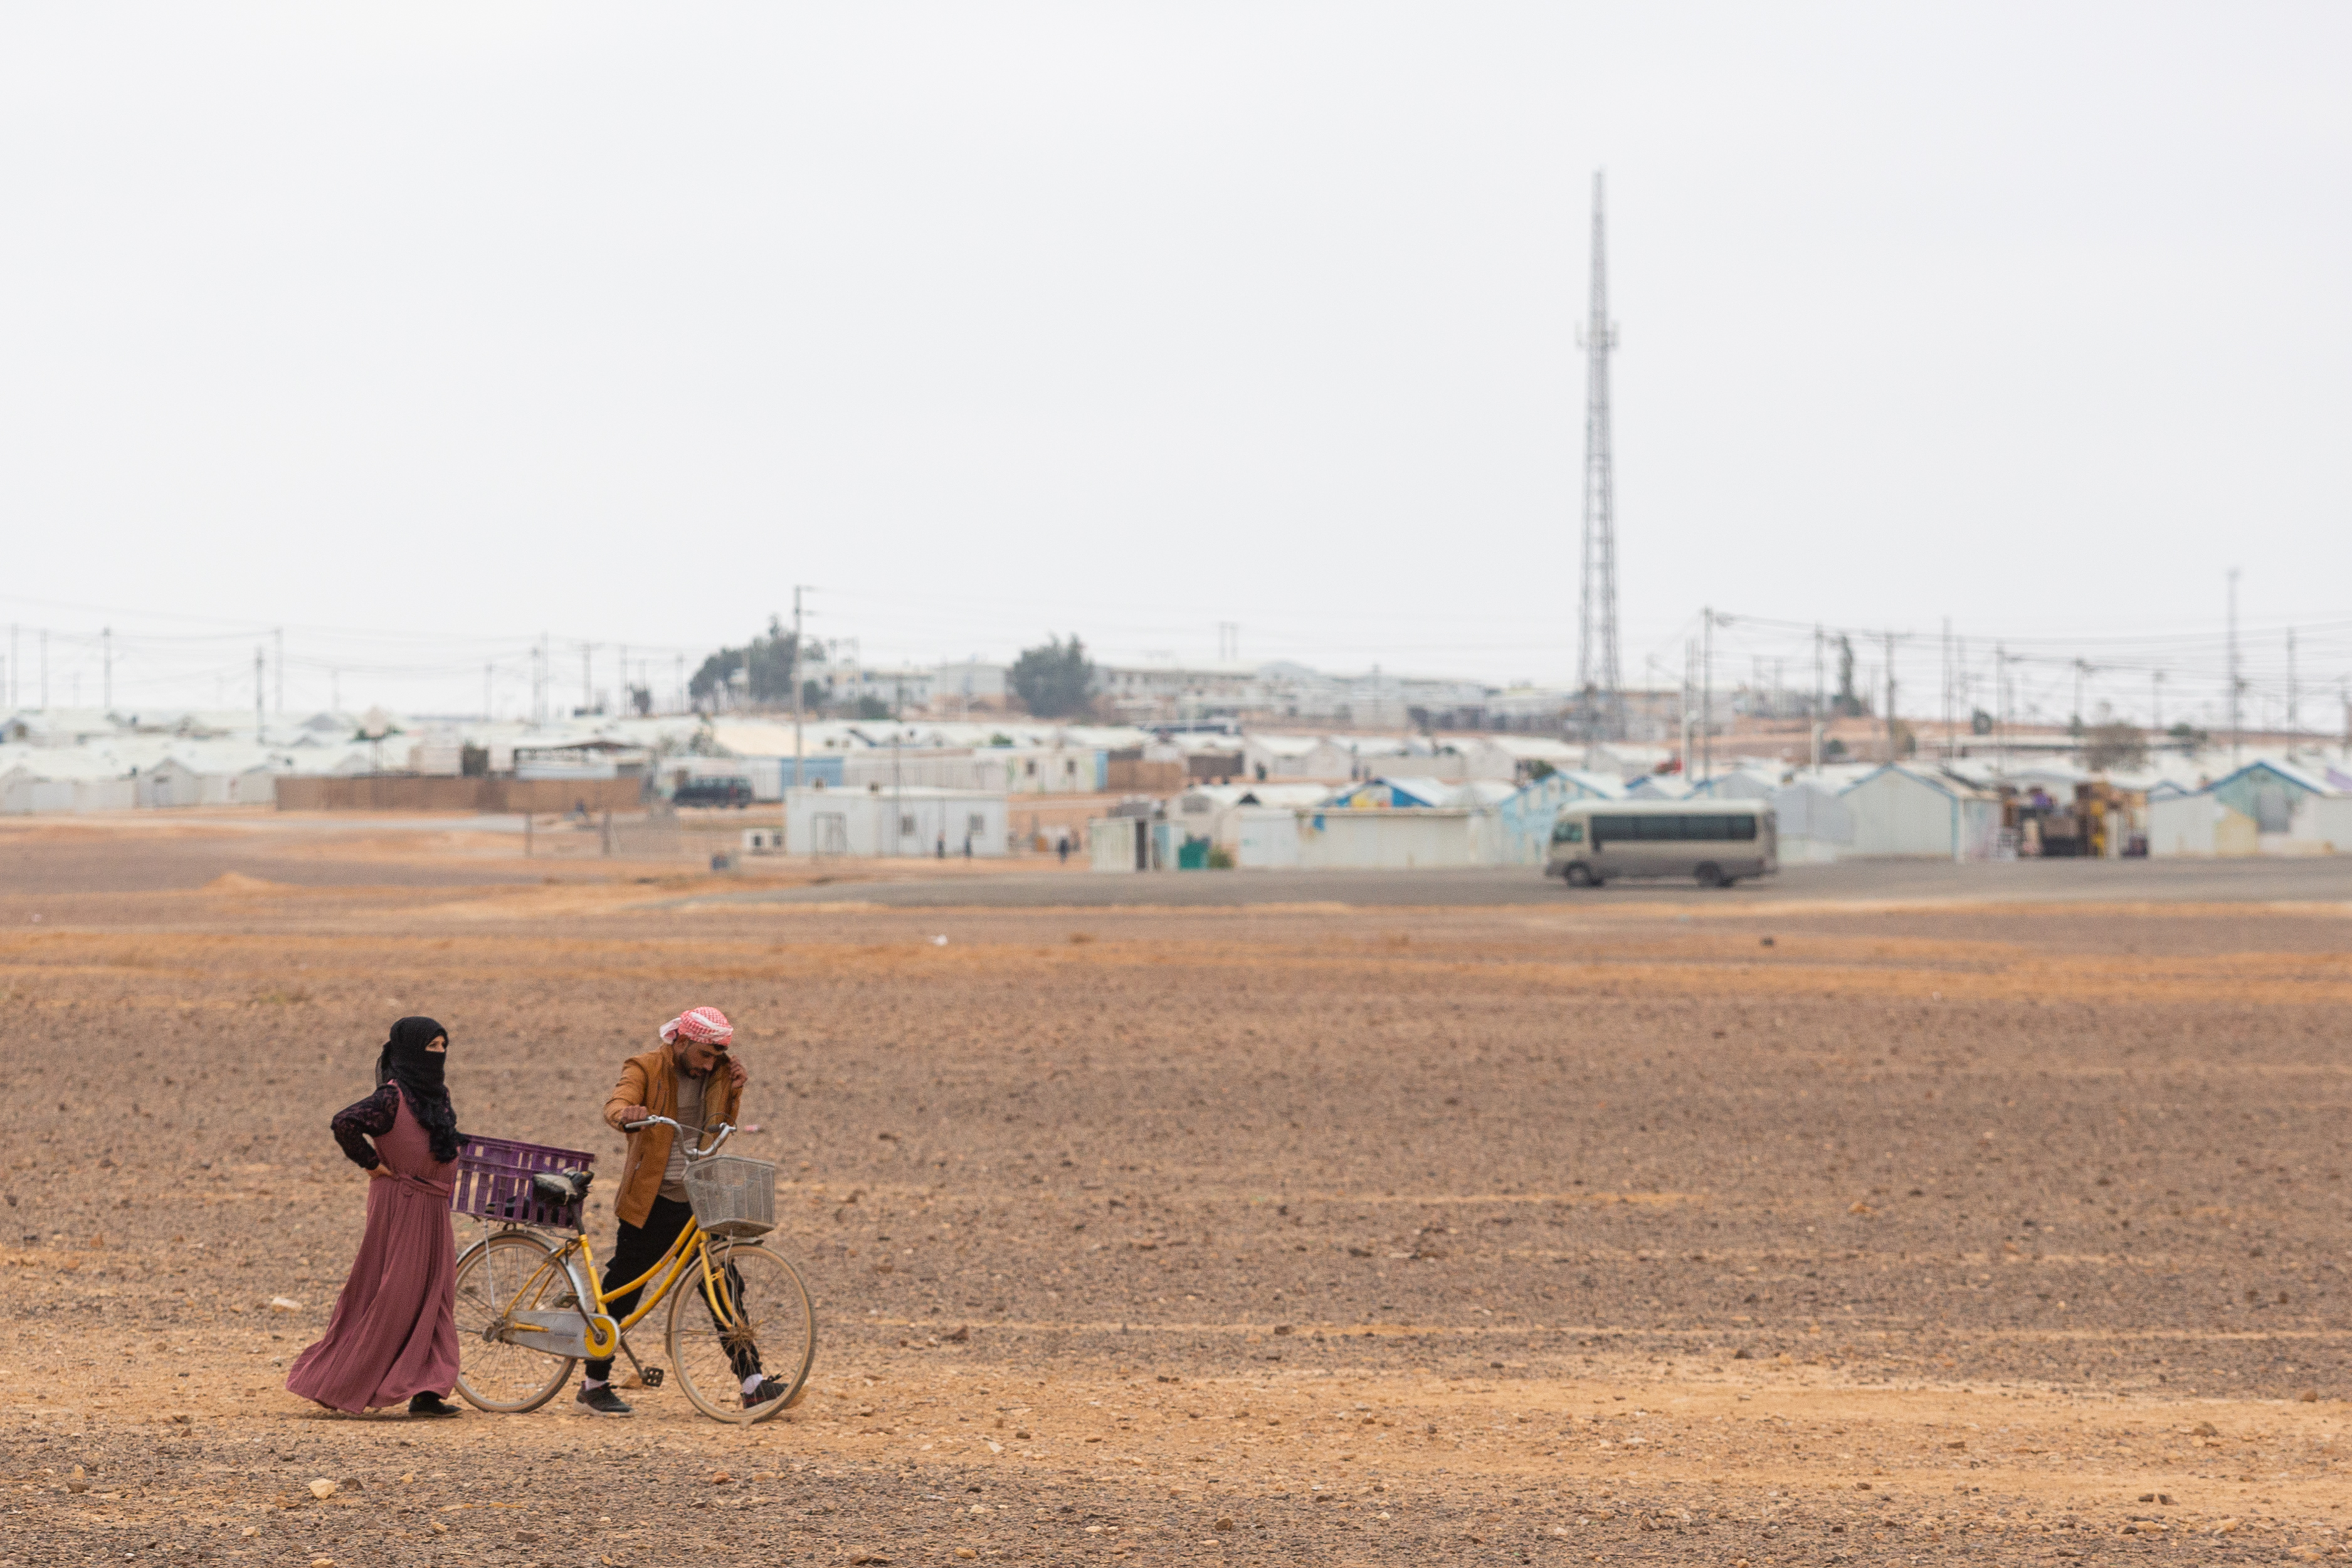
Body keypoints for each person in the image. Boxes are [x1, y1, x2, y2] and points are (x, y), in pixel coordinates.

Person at [577, 1006, 784, 1416]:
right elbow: (616, 1102)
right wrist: (626, 1115)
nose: (709, 1066)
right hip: (650, 1200)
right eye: (704, 1056)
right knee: (625, 1287)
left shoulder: (717, 1070)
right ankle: (593, 1383)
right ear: (683, 1041)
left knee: (724, 1285)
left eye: (716, 1058)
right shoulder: (646, 1066)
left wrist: (735, 1089)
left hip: (698, 1198)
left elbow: (720, 1125)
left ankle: (752, 1382)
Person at [287, 1016, 465, 1418]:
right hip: (401, 1205)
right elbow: (344, 1122)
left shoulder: (437, 1098)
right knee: (394, 1298)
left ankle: (428, 1391)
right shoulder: (391, 1098)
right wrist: (371, 1163)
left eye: (443, 1047)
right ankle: (340, 1382)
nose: (438, 1055)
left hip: (434, 1208)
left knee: (437, 1298)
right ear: (408, 1052)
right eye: (431, 1047)